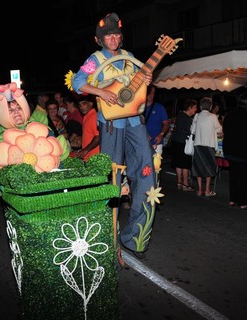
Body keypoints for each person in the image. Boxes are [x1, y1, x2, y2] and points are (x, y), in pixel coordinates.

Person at [71, 12, 155, 259]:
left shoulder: (129, 57)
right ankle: (107, 237)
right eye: (108, 35)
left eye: (117, 34)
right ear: (101, 39)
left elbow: (140, 82)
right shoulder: (95, 59)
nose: (114, 38)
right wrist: (100, 92)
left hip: (135, 122)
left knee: (146, 172)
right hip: (111, 126)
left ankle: (136, 237)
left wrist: (147, 78)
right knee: (112, 178)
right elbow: (77, 82)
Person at [222, 92, 247, 210]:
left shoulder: (230, 114)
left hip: (230, 150)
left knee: (233, 175)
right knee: (243, 177)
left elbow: (225, 129)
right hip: (243, 151)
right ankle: (243, 202)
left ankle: (232, 199)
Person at [192, 97, 222, 197]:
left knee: (198, 168)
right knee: (209, 167)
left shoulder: (197, 115)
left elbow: (192, 130)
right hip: (209, 145)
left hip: (198, 144)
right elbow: (219, 130)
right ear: (210, 106)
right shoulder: (213, 116)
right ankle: (207, 190)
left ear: (200, 106)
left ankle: (200, 190)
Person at [171, 98, 197, 191]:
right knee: (185, 163)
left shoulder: (180, 115)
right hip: (184, 143)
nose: (195, 109)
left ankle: (179, 182)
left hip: (176, 141)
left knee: (178, 162)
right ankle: (185, 184)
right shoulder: (187, 119)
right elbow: (190, 131)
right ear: (189, 108)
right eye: (194, 107)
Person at [144, 84, 169, 155]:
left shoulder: (159, 107)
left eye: (153, 93)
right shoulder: (139, 107)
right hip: (141, 142)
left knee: (155, 165)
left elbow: (166, 124)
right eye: (149, 92)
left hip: (155, 143)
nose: (151, 95)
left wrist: (161, 134)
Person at [73, 95, 100, 161]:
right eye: (79, 105)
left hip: (95, 157)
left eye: (84, 104)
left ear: (90, 104)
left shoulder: (94, 116)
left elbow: (98, 136)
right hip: (89, 156)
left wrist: (85, 150)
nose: (81, 107)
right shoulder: (87, 116)